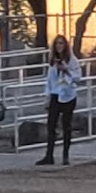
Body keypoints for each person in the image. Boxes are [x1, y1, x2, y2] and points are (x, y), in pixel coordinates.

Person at [39, 36, 80, 166]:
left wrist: (66, 70)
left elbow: (78, 78)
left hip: (68, 96)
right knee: (51, 125)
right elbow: (49, 81)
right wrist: (47, 97)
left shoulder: (72, 61)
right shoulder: (52, 61)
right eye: (57, 43)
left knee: (66, 126)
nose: (59, 46)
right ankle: (49, 155)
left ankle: (65, 155)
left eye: (61, 43)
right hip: (55, 95)